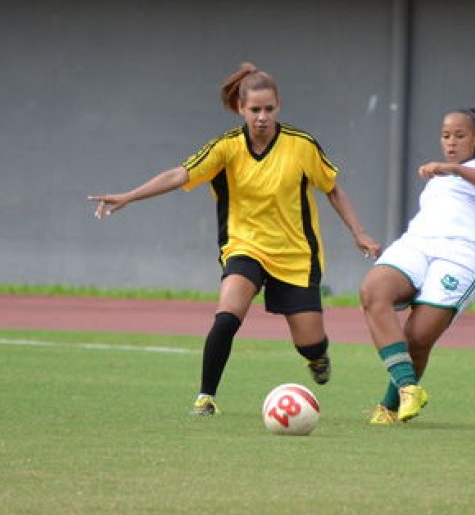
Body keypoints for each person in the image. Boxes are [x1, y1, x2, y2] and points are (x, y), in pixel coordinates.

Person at [88, 63, 381, 416]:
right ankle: (205, 397)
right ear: (241, 109)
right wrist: (128, 196)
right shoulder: (226, 148)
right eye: (254, 110)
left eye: (268, 109)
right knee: (227, 316)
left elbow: (333, 189)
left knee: (310, 344)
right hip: (245, 247)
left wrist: (359, 232)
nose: (261, 117)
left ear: (278, 106)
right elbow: (180, 174)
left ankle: (317, 357)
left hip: (296, 255)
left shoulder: (301, 146)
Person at [359, 108, 475, 424]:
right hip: (417, 243)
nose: (451, 141)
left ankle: (389, 408)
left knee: (418, 336)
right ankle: (408, 388)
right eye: (446, 135)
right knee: (373, 290)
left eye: (460, 135)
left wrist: (457, 170)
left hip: (460, 253)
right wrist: (448, 171)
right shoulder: (436, 179)